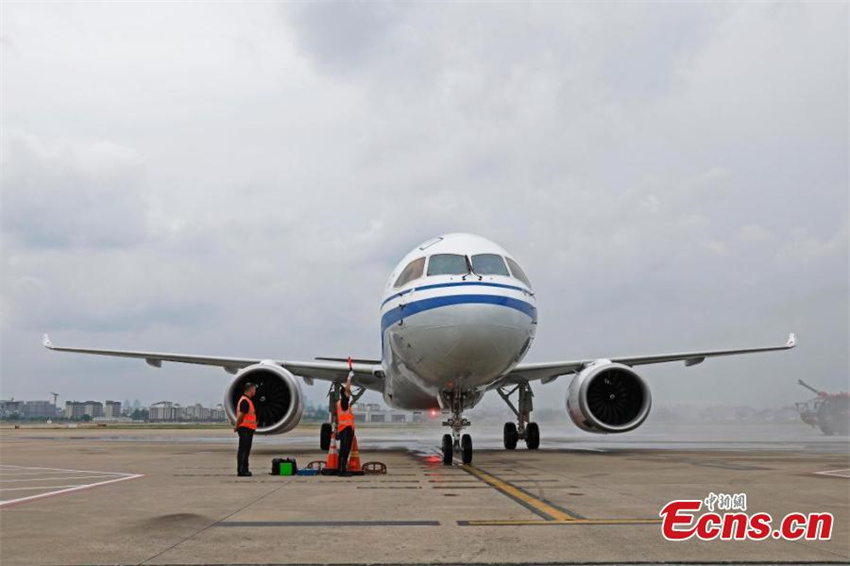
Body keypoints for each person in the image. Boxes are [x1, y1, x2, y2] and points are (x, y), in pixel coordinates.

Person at [234, 382, 257, 476]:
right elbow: (241, 415)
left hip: (248, 428)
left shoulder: (247, 400)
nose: (255, 391)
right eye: (254, 389)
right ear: (251, 389)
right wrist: (236, 425)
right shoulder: (245, 401)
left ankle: (245, 469)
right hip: (245, 428)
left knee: (246, 450)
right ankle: (242, 470)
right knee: (243, 450)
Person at [336, 372, 356, 476]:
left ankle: (341, 470)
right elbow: (347, 390)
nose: (349, 393)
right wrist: (349, 378)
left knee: (344, 451)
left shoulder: (341, 403)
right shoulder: (343, 402)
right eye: (347, 393)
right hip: (346, 430)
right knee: (344, 451)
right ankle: (342, 471)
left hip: (345, 429)